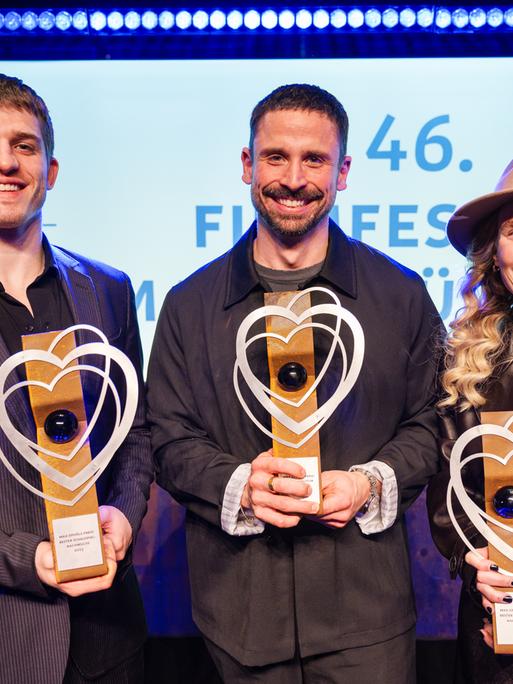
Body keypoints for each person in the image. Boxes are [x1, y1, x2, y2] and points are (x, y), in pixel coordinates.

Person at [148, 83, 441, 683]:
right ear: (247, 164)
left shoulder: (402, 293)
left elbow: (430, 425)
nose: (294, 178)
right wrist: (242, 486)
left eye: (315, 159)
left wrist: (367, 483)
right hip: (240, 618)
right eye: (276, 157)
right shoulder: (188, 304)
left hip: (369, 621)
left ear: (344, 171)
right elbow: (169, 440)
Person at [0, 74, 152, 683]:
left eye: (24, 145)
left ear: (52, 170)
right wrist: (24, 556)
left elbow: (136, 430)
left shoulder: (107, 289)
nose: (7, 163)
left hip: (108, 628)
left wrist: (124, 515)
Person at [428, 159, 513, 684]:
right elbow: (447, 483)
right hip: (495, 600)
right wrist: (473, 558)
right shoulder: (466, 356)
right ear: (494, 252)